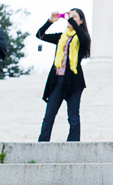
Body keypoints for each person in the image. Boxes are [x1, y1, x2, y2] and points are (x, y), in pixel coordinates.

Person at [36, 9, 91, 142]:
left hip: (74, 81)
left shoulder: (82, 37)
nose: (70, 19)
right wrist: (50, 21)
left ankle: (73, 144)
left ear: (81, 20)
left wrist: (71, 20)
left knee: (73, 116)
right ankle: (42, 143)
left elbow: (84, 39)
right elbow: (40, 35)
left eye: (74, 17)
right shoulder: (62, 37)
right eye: (69, 17)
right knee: (49, 115)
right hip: (57, 80)